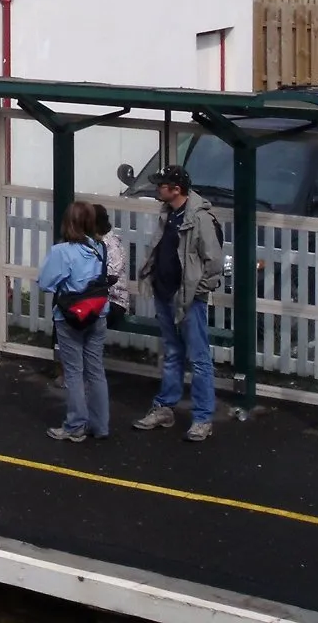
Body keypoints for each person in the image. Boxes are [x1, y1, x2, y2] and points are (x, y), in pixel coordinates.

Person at [135, 165, 227, 441]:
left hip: (188, 299)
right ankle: (165, 406)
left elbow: (214, 262)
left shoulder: (200, 219)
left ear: (176, 189)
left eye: (162, 184)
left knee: (198, 358)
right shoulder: (169, 214)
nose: (157, 188)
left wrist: (196, 291)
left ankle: (202, 417)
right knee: (173, 352)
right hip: (166, 294)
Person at [36, 201, 111, 443]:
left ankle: (76, 424)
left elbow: (46, 282)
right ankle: (100, 425)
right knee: (96, 370)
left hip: (71, 317)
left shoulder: (62, 251)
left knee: (74, 373)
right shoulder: (99, 248)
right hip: (97, 313)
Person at [92, 203, 130, 328]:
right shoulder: (93, 242)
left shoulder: (112, 245)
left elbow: (110, 275)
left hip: (113, 302)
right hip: (97, 297)